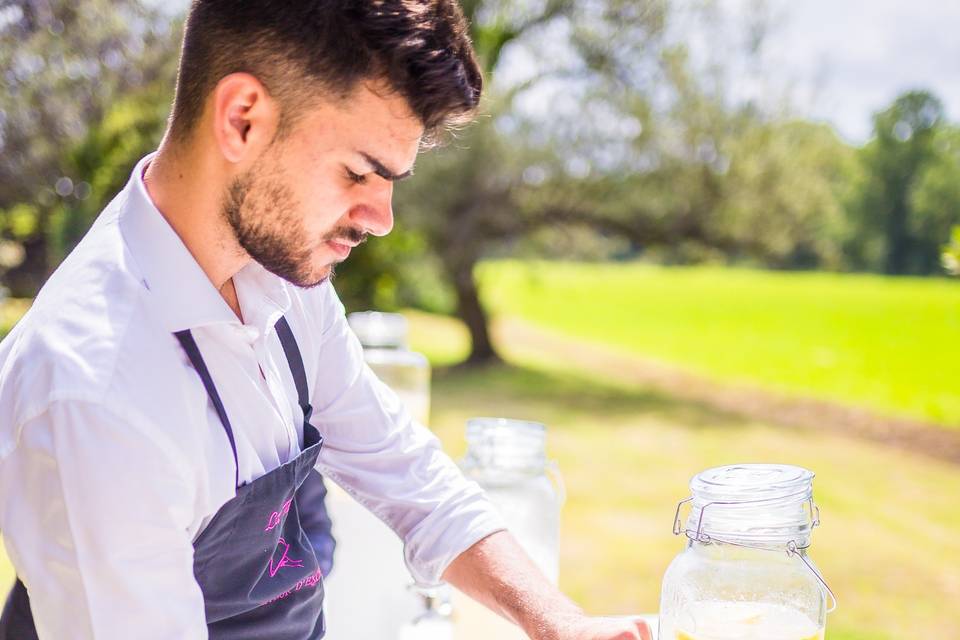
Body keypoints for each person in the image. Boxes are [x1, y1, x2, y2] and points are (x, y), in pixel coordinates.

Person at [0, 1, 652, 639]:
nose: (382, 219)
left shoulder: (284, 273)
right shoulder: (93, 391)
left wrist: (563, 624)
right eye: (358, 173)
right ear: (243, 119)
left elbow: (404, 470)